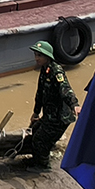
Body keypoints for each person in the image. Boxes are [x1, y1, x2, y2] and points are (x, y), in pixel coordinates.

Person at [26, 40, 81, 170]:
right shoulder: (44, 70)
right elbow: (40, 93)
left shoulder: (56, 72)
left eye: (39, 56)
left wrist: (75, 105)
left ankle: (43, 166)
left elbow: (65, 89)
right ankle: (37, 159)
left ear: (47, 57)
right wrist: (36, 112)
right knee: (35, 130)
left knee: (40, 140)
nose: (36, 58)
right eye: (35, 55)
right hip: (50, 115)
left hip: (59, 117)